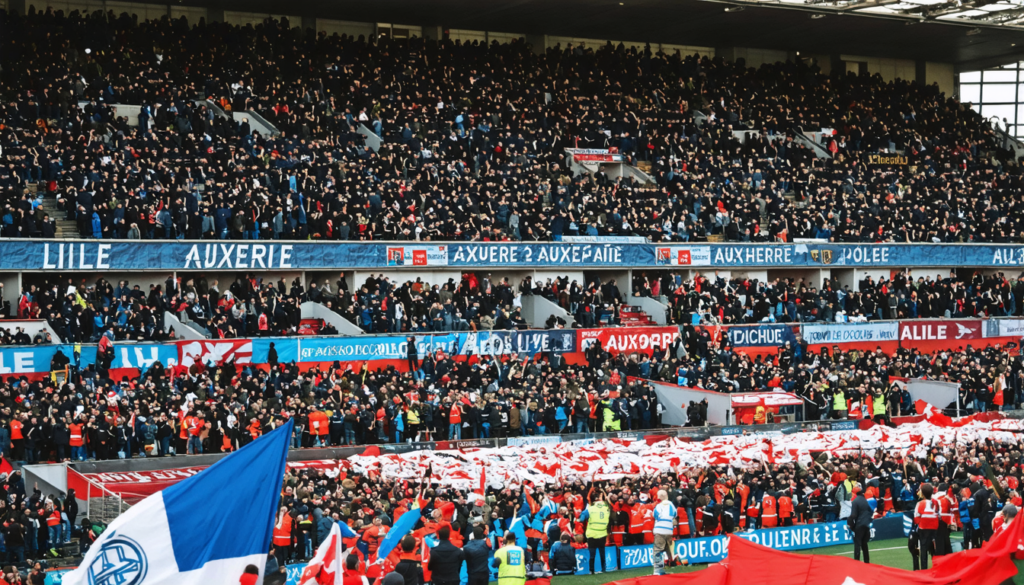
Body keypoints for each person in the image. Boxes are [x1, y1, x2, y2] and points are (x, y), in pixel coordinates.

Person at [652, 489, 680, 575]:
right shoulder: (671, 505)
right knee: (668, 549)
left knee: (657, 550)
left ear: (659, 497)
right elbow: (675, 514)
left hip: (659, 530)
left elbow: (655, 515)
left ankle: (658, 569)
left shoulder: (658, 506)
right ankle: (672, 562)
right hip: (669, 531)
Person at [582, 490, 612, 574]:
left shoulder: (590, 508)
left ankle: (591, 570)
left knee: (592, 554)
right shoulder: (606, 507)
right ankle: (604, 569)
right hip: (602, 533)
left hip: (592, 534)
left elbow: (581, 518)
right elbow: (607, 501)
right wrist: (603, 492)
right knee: (602, 552)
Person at [914, 483, 940, 570]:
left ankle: (924, 569)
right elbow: (939, 515)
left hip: (923, 529)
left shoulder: (920, 503)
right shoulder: (936, 502)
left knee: (923, 549)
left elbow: (916, 518)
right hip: (935, 528)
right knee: (934, 549)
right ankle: (937, 567)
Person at [848, 484, 872, 564]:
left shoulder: (855, 501)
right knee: (864, 544)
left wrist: (850, 523)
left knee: (857, 543)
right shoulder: (865, 500)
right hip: (867, 524)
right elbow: (870, 511)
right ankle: (867, 561)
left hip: (859, 524)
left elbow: (853, 515)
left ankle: (857, 562)